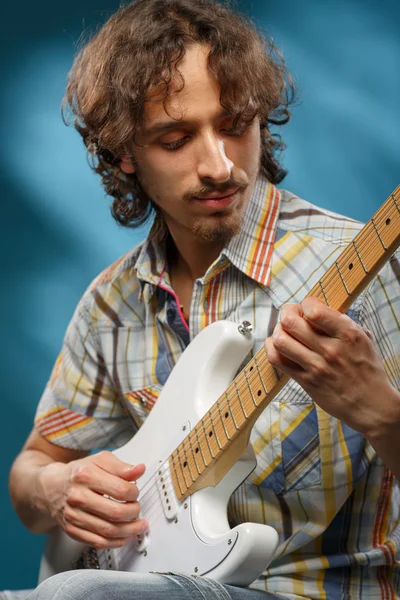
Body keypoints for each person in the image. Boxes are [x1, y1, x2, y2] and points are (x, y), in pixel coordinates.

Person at [8, 0, 400, 599]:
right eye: (176, 138)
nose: (220, 166)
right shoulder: (111, 306)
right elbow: (30, 475)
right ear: (124, 155)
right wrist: (59, 489)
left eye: (236, 125)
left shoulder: (364, 268)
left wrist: (381, 413)